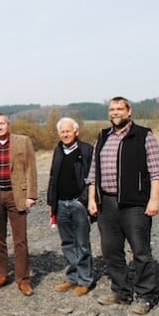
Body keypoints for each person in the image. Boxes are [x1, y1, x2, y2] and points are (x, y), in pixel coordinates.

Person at [86, 96, 159, 315]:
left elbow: (157, 170)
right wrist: (92, 198)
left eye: (119, 108)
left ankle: (146, 296)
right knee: (111, 251)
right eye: (112, 109)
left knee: (140, 251)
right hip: (107, 203)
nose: (115, 112)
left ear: (128, 111)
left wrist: (154, 198)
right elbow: (93, 172)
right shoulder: (102, 137)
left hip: (135, 204)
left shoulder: (143, 135)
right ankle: (121, 293)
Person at [0, 113, 37, 296]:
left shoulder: (23, 141)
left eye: (2, 123)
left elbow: (31, 168)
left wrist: (31, 195)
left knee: (20, 240)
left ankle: (23, 280)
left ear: (8, 124)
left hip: (17, 196)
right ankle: (1, 274)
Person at [47, 117, 94, 296]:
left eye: (68, 131)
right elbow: (53, 177)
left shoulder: (86, 150)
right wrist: (52, 203)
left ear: (76, 132)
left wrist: (83, 201)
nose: (65, 134)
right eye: (62, 132)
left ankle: (85, 280)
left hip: (78, 203)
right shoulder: (58, 150)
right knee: (67, 243)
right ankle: (72, 278)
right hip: (60, 204)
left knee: (82, 243)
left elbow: (92, 177)